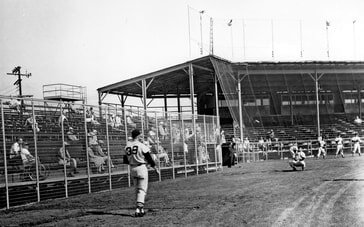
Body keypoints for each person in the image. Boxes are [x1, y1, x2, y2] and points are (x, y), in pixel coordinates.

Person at [123, 129, 159, 217]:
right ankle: (138, 208)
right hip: (141, 168)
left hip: (132, 168)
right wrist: (155, 168)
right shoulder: (141, 145)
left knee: (137, 189)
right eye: (141, 135)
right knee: (142, 189)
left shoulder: (127, 146)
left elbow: (125, 160)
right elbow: (149, 158)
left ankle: (141, 209)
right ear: (138, 136)